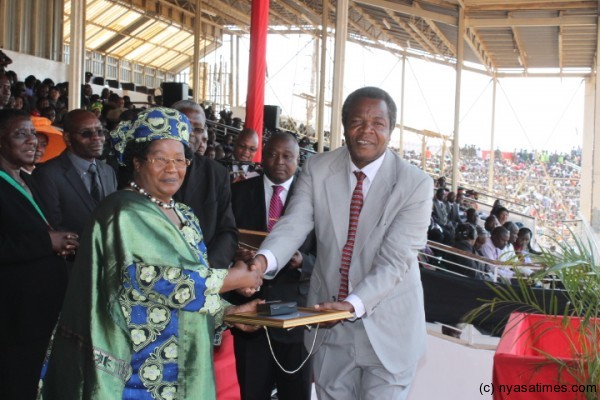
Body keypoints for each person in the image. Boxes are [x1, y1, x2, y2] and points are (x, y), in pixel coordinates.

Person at [38, 107, 264, 399]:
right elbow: (152, 280)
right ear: (137, 162)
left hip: (189, 365)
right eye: (160, 159)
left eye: (180, 159)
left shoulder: (185, 215)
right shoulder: (121, 212)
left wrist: (228, 312)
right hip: (139, 371)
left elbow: (190, 287)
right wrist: (230, 280)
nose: (172, 168)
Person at [251, 87, 433, 399]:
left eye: (378, 123)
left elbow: (395, 262)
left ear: (391, 130)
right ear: (344, 124)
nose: (366, 131)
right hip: (329, 327)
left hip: (389, 331)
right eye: (358, 122)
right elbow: (294, 223)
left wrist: (351, 305)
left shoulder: (415, 184)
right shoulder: (317, 168)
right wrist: (261, 262)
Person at [230, 132, 315, 400]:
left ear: (298, 159)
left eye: (287, 156)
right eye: (272, 154)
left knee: (296, 393)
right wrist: (238, 256)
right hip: (250, 313)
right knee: (253, 391)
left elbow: (328, 253)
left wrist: (304, 261)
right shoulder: (237, 191)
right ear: (262, 156)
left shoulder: (313, 199)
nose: (279, 161)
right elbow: (223, 239)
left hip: (296, 313)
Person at [0, 109, 78, 400]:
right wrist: (45, 243)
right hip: (14, 318)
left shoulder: (25, 179)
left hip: (40, 311)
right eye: (21, 134)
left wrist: (61, 242)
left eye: (32, 133)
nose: (32, 140)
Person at [172, 100, 238, 270]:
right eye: (185, 125)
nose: (192, 134)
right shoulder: (148, 169)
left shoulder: (217, 173)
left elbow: (227, 231)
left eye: (199, 129)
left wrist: (208, 267)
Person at [33, 109, 117, 236]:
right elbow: (53, 226)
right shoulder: (47, 174)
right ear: (67, 138)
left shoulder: (108, 171)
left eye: (100, 132)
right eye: (86, 133)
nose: (96, 138)